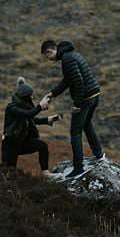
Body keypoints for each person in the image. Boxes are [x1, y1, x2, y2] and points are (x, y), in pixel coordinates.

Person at [41, 39, 106, 178]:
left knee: (75, 132)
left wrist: (77, 104)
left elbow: (78, 82)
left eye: (48, 56)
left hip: (85, 99)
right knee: (87, 124)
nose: (49, 59)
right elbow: (68, 80)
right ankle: (99, 155)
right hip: (94, 94)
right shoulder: (73, 55)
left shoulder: (67, 59)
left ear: (50, 50)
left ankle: (78, 168)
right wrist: (52, 93)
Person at [2, 76, 61, 173]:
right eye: (31, 96)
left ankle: (45, 173)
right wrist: (40, 106)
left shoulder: (23, 106)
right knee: (9, 172)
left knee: (42, 146)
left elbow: (32, 119)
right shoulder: (12, 108)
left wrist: (48, 120)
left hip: (21, 142)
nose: (32, 98)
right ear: (26, 98)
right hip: (10, 145)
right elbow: (28, 114)